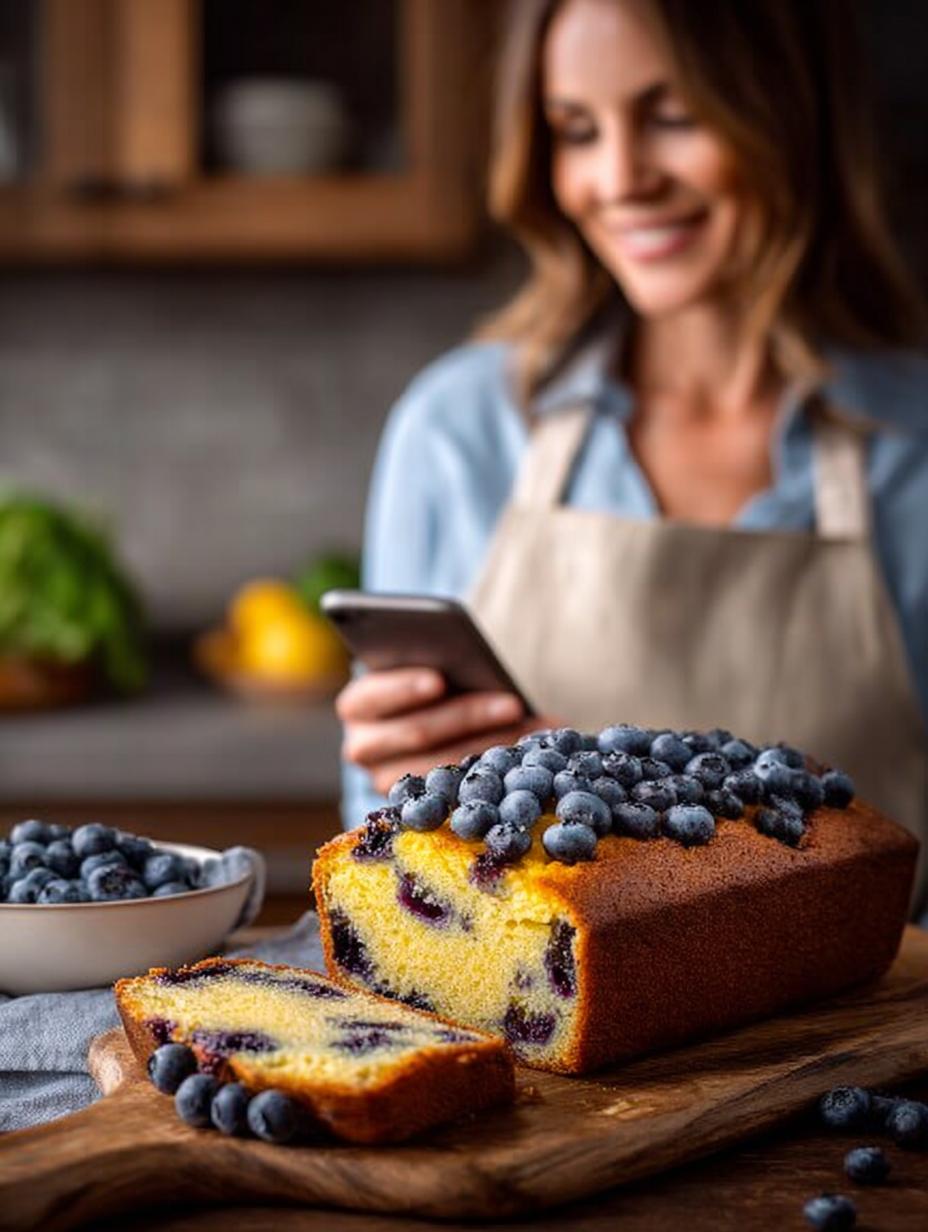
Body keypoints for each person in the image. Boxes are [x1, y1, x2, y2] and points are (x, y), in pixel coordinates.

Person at [337, 0, 928, 915]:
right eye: (576, 130)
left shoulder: (912, 444)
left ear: (788, 111)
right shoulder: (459, 429)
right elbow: (389, 852)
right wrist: (408, 786)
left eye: (674, 116)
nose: (619, 179)